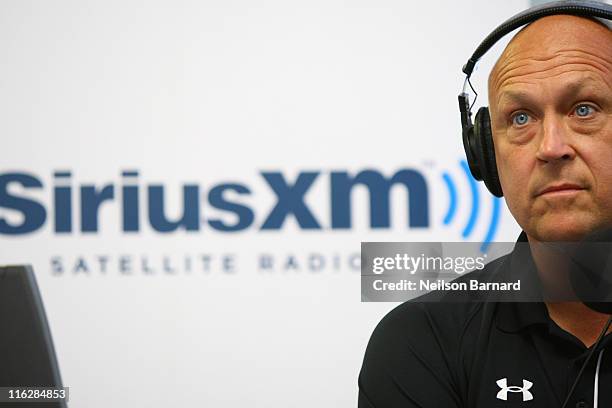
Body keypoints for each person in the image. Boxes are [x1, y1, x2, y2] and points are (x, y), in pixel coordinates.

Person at [358, 8, 612, 408]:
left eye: (584, 109)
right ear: (486, 155)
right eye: (521, 117)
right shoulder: (422, 339)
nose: (550, 148)